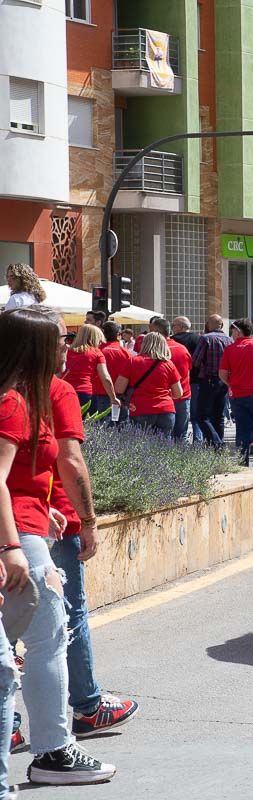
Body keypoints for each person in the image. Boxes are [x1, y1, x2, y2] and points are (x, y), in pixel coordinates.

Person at [0, 306, 116, 785]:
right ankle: (52, 751)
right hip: (17, 538)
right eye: (59, 341)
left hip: (26, 527)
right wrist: (11, 548)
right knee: (44, 641)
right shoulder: (18, 400)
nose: (68, 348)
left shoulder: (25, 394)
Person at [47, 359, 139, 741]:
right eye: (60, 340)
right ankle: (87, 707)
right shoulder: (55, 390)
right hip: (49, 519)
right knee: (69, 614)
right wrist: (88, 520)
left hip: (24, 518)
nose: (66, 347)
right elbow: (70, 459)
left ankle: (12, 724)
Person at [219, 318, 253, 468]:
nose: (231, 334)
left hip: (237, 394)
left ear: (238, 331)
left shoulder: (230, 349)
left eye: (233, 330)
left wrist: (231, 384)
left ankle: (243, 462)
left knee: (242, 427)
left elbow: (222, 373)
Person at [114, 333, 183, 434]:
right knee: (164, 447)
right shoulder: (168, 364)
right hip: (165, 409)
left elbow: (119, 388)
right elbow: (178, 393)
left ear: (144, 344)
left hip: (140, 408)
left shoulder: (133, 361)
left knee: (140, 445)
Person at [192, 315, 232, 447]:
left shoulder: (206, 338)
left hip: (209, 380)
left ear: (209, 324)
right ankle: (217, 449)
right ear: (221, 325)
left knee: (202, 416)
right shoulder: (229, 340)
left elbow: (196, 361)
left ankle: (217, 444)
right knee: (219, 416)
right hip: (224, 381)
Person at [150, 318, 192, 442]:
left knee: (160, 438)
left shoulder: (152, 351)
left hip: (160, 399)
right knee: (181, 436)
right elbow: (188, 369)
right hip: (182, 396)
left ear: (156, 331)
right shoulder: (182, 349)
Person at [62, 324, 118, 416]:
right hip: (85, 393)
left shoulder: (67, 351)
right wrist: (113, 397)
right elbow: (106, 378)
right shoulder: (96, 353)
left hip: (65, 391)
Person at [170, 316, 203, 442]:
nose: (172, 328)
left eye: (174, 325)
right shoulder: (198, 339)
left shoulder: (171, 341)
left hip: (175, 383)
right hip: (195, 381)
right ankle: (198, 442)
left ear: (181, 327)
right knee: (195, 415)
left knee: (175, 417)